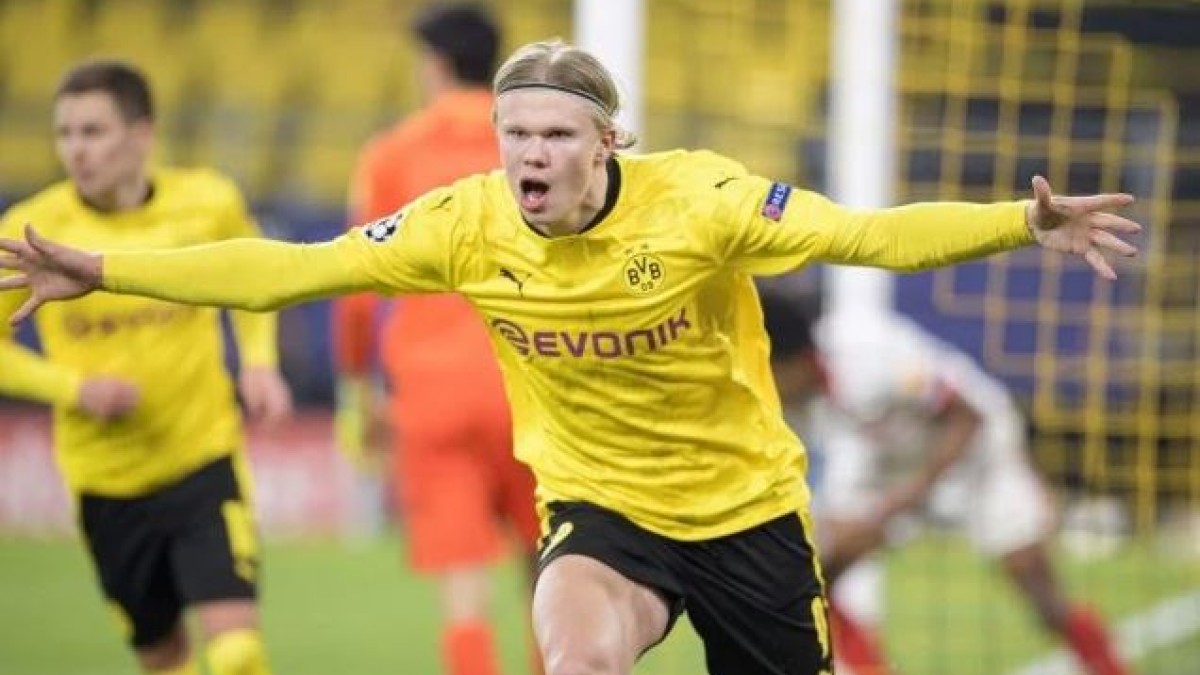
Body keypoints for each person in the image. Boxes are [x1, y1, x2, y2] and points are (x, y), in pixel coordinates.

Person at [0, 39, 1140, 675]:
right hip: (603, 510)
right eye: (515, 135)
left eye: (554, 135)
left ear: (609, 141)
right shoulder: (463, 223)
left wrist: (1019, 222)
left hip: (746, 511)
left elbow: (866, 236)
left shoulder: (700, 201)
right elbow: (290, 270)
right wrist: (105, 269)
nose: (530, 157)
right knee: (577, 659)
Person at [0, 60, 292, 675]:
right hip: (105, 481)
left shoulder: (208, 202)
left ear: (141, 135)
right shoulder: (33, 232)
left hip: (202, 459)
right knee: (163, 659)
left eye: (93, 131)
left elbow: (255, 280)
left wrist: (259, 363)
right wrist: (73, 388)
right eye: (65, 133)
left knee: (237, 653)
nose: (76, 150)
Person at [332, 4, 542, 675]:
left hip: (434, 393)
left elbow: (357, 286)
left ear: (437, 65)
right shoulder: (535, 145)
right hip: (537, 382)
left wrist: (357, 386)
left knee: (463, 590)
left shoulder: (392, 154)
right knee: (554, 573)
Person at [761, 293, 1129, 675]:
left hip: (980, 453)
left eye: (772, 373)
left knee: (1040, 593)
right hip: (896, 460)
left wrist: (895, 505)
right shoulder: (796, 397)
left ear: (797, 361)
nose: (771, 387)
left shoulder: (867, 353)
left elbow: (966, 417)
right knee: (815, 571)